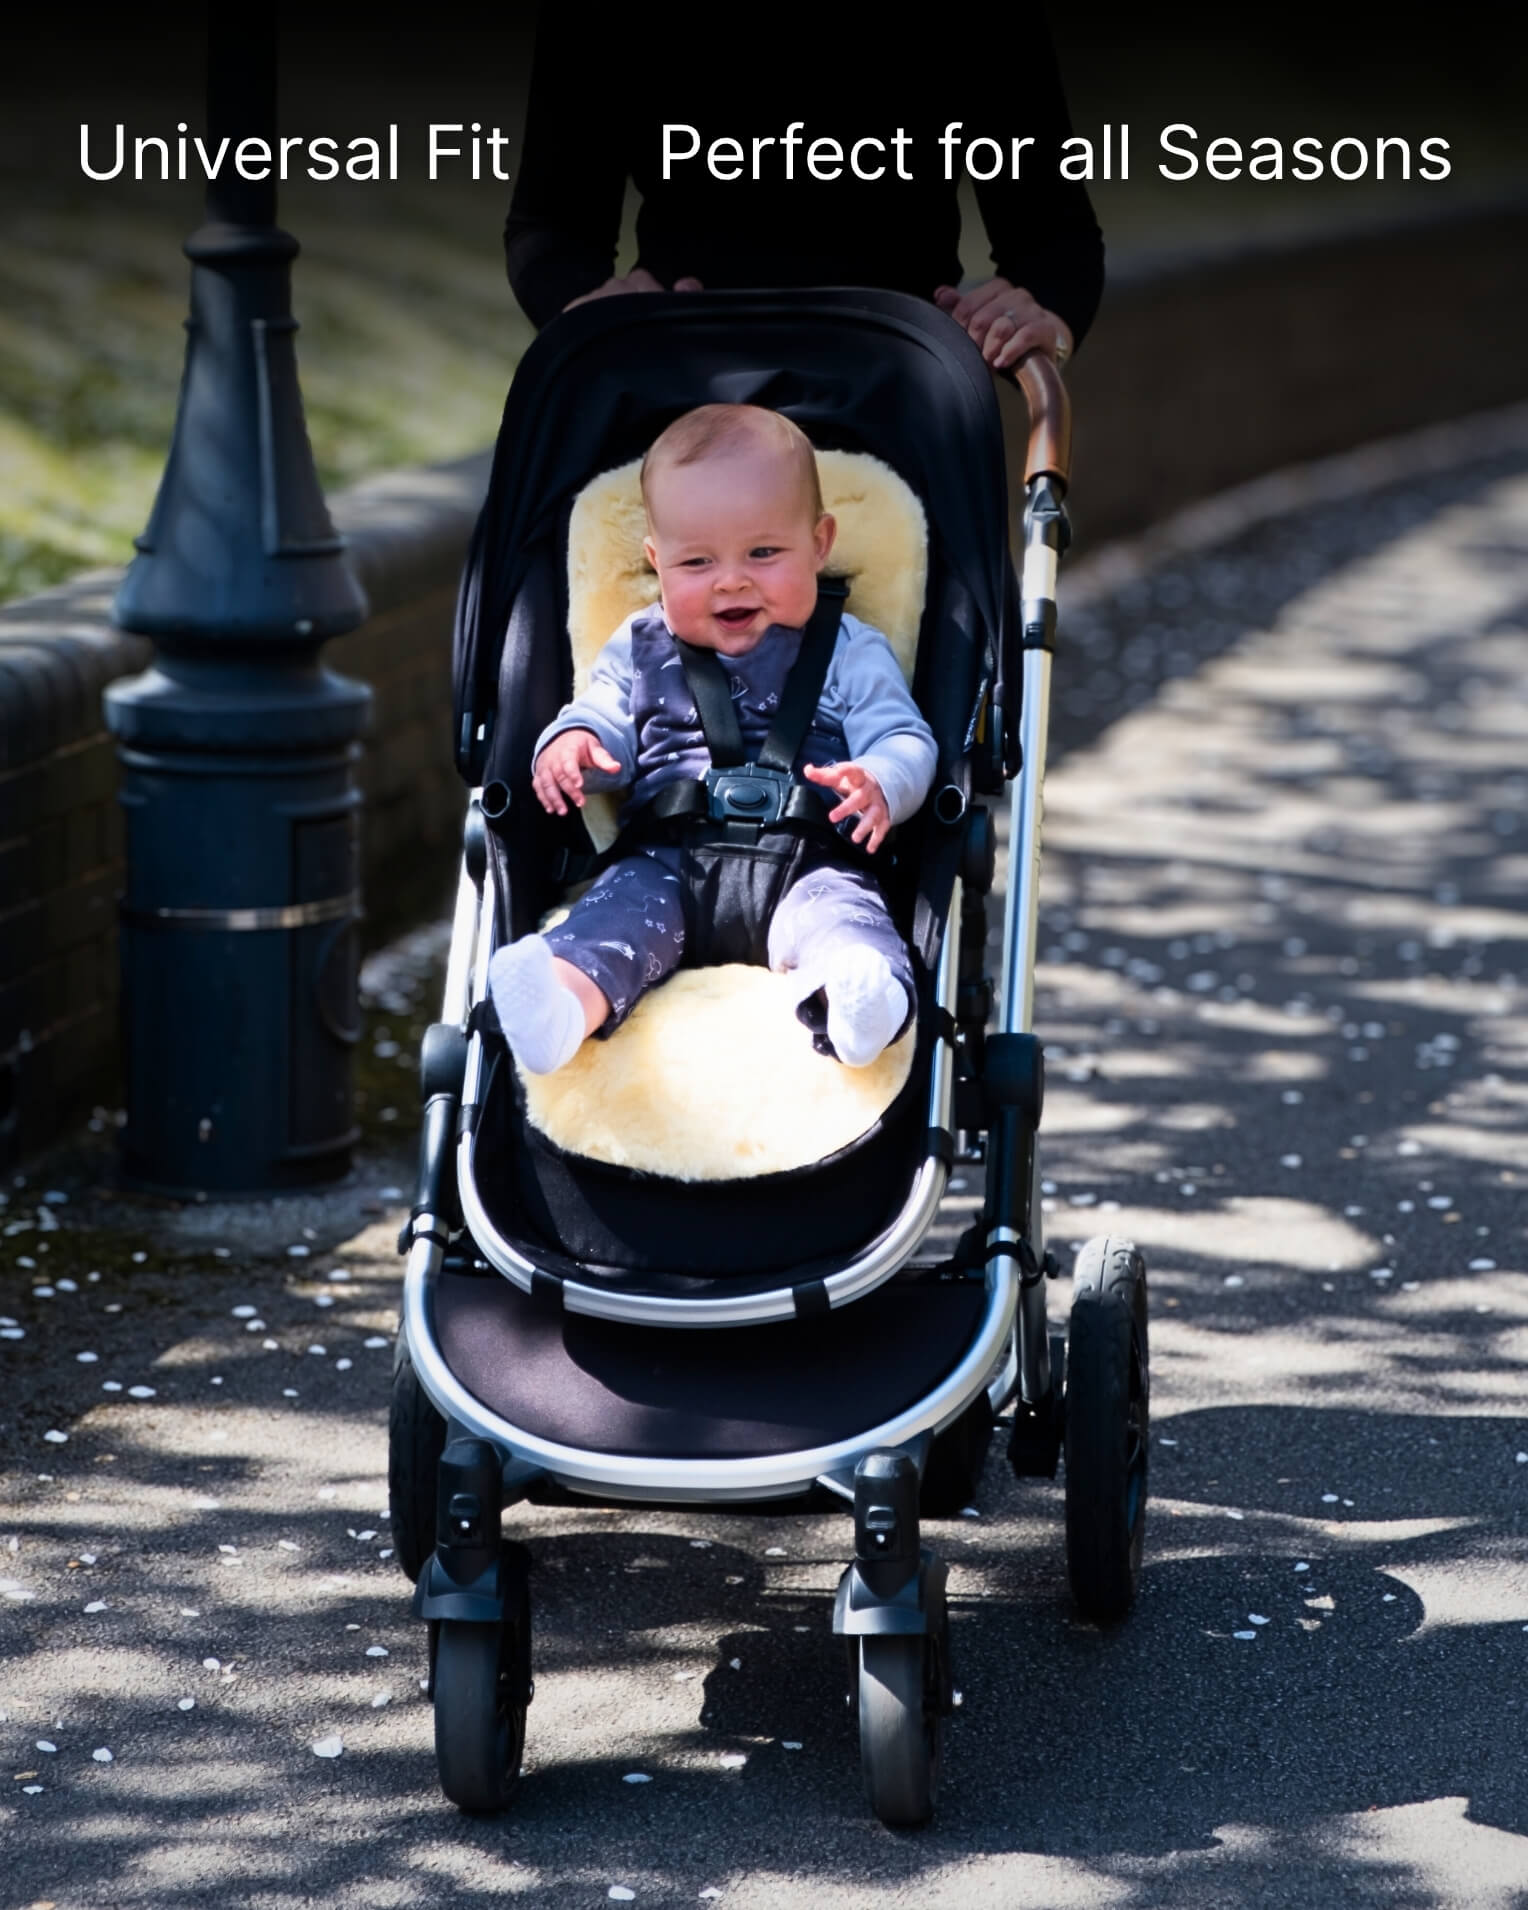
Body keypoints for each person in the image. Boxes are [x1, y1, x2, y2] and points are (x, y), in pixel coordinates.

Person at [488, 403, 937, 1077]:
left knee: (845, 921)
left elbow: (905, 738)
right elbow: (601, 714)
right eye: (696, 561)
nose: (732, 579)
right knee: (611, 924)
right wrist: (575, 743)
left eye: (764, 552)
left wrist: (881, 781)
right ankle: (561, 1007)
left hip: (807, 863)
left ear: (819, 544)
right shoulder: (641, 646)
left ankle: (858, 1003)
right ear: (655, 562)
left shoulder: (850, 648)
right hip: (668, 862)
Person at [503, 12, 1103, 372]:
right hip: (675, 379)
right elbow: (552, 228)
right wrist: (591, 309)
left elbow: (1054, 236)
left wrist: (1040, 315)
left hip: (899, 387)